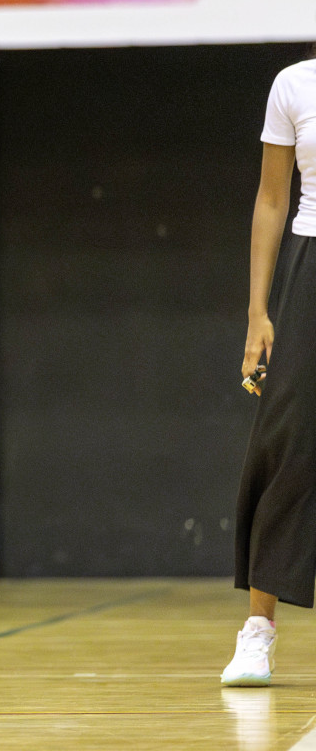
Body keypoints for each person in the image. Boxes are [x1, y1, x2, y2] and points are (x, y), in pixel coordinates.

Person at [227, 52, 316, 686]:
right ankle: (258, 629)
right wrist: (259, 312)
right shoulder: (294, 84)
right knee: (287, 443)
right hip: (308, 265)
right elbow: (271, 198)